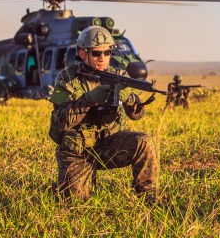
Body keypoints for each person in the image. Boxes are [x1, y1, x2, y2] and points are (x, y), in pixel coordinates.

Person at [48, 26, 158, 202]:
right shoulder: (68, 78)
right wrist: (88, 100)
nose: (102, 58)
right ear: (83, 54)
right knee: (75, 205)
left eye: (107, 53)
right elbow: (60, 122)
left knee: (144, 142)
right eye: (96, 53)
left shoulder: (119, 75)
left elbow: (137, 115)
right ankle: (64, 184)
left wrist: (130, 100)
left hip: (108, 144)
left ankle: (149, 199)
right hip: (78, 150)